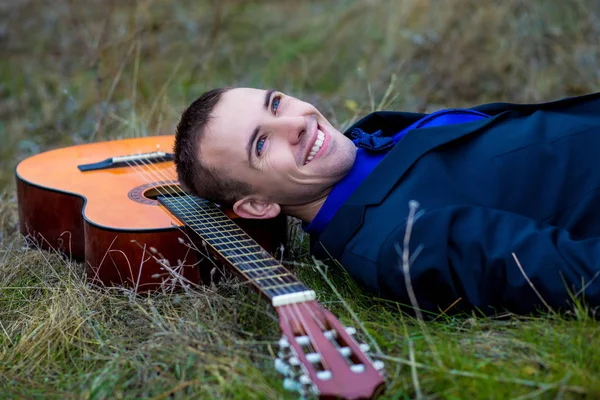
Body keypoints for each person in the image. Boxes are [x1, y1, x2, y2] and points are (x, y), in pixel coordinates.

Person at [174, 87, 600, 315]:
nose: (295, 123)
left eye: (276, 103)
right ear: (257, 206)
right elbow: (580, 276)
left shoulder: (363, 142)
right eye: (262, 145)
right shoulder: (402, 242)